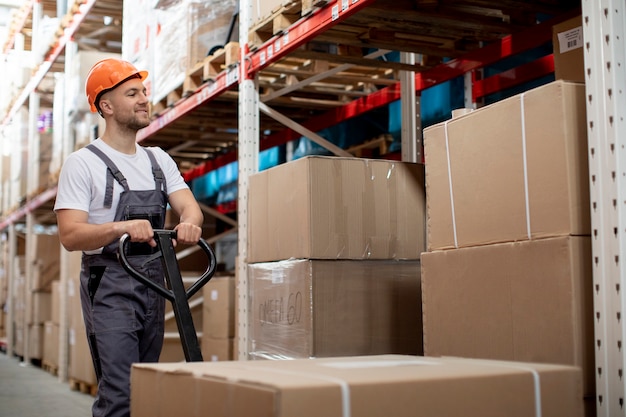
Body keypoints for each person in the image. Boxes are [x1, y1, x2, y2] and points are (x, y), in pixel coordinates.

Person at [53, 58, 204, 417]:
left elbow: (190, 208)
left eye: (144, 92)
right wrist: (122, 227)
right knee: (120, 394)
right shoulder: (83, 163)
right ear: (106, 106)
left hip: (155, 280)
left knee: (143, 387)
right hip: (110, 282)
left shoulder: (158, 160)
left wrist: (190, 223)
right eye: (132, 93)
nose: (144, 99)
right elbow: (70, 235)